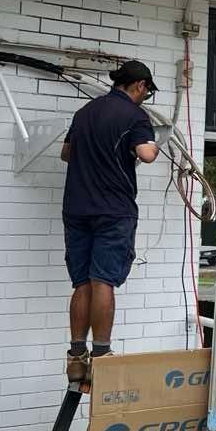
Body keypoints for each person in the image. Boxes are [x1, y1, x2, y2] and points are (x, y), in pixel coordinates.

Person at [60, 60, 160, 383]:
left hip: (77, 209)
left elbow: (66, 153)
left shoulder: (84, 113)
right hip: (113, 211)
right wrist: (153, 144)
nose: (146, 97)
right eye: (147, 92)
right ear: (140, 85)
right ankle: (101, 355)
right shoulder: (134, 116)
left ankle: (77, 356)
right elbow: (146, 154)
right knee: (103, 280)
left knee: (82, 283)